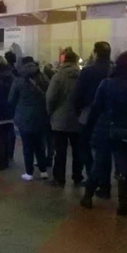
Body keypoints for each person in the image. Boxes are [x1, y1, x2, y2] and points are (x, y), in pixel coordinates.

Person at [80, 51, 127, 216]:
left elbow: (96, 107)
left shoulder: (106, 83)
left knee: (99, 164)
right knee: (124, 167)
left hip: (105, 128)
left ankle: (87, 197)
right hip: (125, 131)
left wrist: (89, 127)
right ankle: (122, 204)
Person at [72, 41, 114, 197]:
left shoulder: (89, 71)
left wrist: (77, 111)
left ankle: (93, 178)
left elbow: (78, 94)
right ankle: (105, 184)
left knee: (84, 146)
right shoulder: (113, 70)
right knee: (105, 151)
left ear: (95, 53)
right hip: (110, 115)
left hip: (89, 113)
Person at [9, 56, 50, 181]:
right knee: (40, 144)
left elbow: (11, 100)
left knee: (27, 145)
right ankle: (43, 171)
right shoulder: (43, 77)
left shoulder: (19, 80)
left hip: (24, 116)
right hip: (42, 116)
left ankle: (29, 172)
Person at [46, 50, 82, 187]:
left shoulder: (58, 76)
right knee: (77, 151)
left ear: (64, 60)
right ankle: (78, 176)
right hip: (78, 118)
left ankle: (59, 178)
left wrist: (51, 113)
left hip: (60, 119)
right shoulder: (82, 76)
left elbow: (50, 97)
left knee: (60, 151)